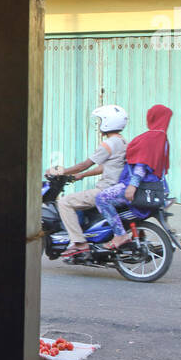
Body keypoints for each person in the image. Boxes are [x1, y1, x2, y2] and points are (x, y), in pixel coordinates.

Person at [51, 105, 129, 258]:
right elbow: (104, 167)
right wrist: (83, 176)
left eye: (101, 121)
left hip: (104, 190)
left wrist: (61, 171)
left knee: (65, 202)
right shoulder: (123, 142)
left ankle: (79, 243)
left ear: (108, 122)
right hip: (117, 189)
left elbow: (85, 164)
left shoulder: (108, 144)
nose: (99, 124)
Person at [95, 104, 172, 250]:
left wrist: (132, 185)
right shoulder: (162, 138)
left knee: (101, 198)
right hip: (154, 186)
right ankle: (137, 232)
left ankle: (119, 235)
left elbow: (142, 164)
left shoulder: (152, 137)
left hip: (138, 185)